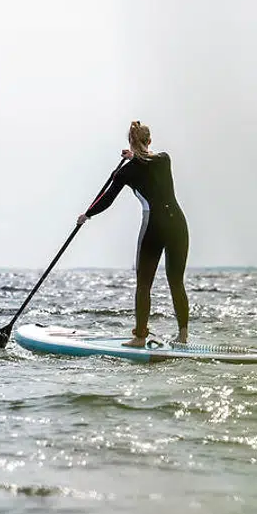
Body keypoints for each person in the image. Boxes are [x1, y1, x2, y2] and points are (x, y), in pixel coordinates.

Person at [78, 121, 190, 346]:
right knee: (176, 281)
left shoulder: (127, 171)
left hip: (154, 227)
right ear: (149, 140)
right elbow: (149, 160)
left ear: (131, 142)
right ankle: (183, 335)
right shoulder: (163, 160)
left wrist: (87, 214)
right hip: (178, 224)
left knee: (144, 284)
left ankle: (140, 337)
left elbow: (106, 199)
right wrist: (133, 157)